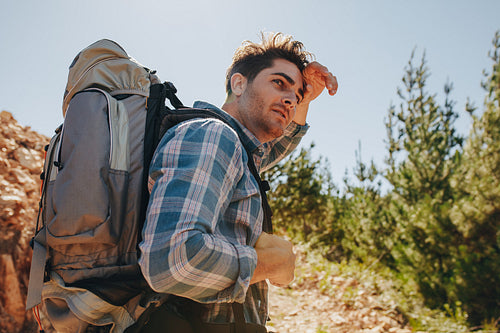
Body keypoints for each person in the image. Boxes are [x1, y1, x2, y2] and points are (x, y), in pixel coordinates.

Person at [137, 32, 338, 331]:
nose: (289, 99)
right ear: (239, 83)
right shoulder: (213, 136)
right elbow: (170, 261)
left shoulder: (237, 151)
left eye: (294, 97)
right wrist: (264, 264)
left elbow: (271, 149)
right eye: (279, 83)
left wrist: (304, 98)